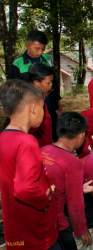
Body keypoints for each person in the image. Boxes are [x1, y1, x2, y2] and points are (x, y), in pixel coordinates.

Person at [0, 79, 59, 250]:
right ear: (33, 108)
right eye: (42, 107)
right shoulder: (27, 142)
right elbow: (25, 188)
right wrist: (44, 200)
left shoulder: (4, 137)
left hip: (17, 227)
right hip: (36, 231)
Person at [41, 112, 93, 249]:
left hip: (38, 213)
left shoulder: (43, 149)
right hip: (55, 221)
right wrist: (81, 229)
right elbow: (75, 205)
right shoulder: (72, 162)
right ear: (81, 135)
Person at [9, 30, 62, 143]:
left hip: (49, 104)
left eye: (43, 49)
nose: (40, 52)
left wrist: (57, 101)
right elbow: (13, 89)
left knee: (51, 131)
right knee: (34, 135)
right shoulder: (18, 64)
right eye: (37, 48)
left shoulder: (47, 59)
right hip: (30, 107)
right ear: (27, 45)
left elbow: (54, 81)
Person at [28, 62, 54, 147]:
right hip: (39, 146)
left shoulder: (41, 98)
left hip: (46, 144)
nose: (51, 85)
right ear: (36, 83)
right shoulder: (34, 102)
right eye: (48, 83)